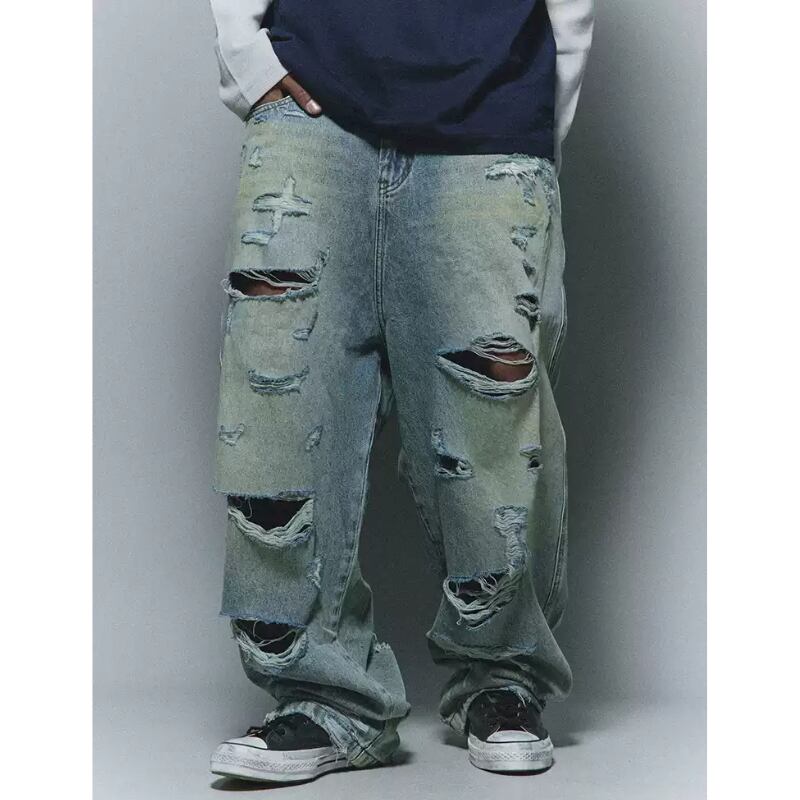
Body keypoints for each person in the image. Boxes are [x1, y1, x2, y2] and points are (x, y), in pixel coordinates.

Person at [207, 0, 594, 783]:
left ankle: (503, 679)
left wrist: (536, 120)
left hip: (492, 104)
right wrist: (246, 55)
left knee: (493, 415)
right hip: (310, 102)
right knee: (277, 399)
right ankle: (321, 696)